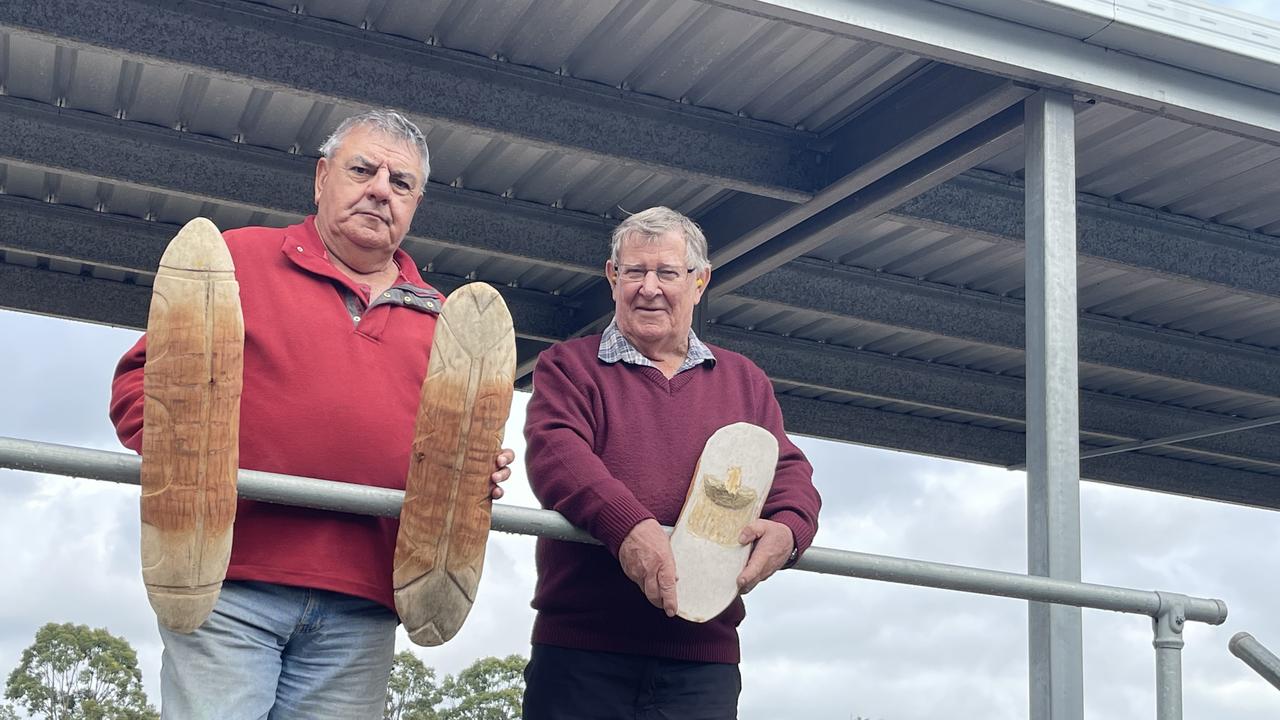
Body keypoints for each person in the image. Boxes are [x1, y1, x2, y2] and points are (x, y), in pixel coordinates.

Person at [109, 109, 514, 719]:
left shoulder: (446, 320)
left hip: (362, 604)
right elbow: (143, 386)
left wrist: (469, 480)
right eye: (363, 170)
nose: (381, 189)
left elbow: (448, 455)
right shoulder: (236, 261)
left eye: (401, 183)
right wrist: (192, 460)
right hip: (228, 581)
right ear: (322, 177)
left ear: (415, 204)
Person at [522, 206, 822, 718]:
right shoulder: (568, 366)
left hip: (703, 660)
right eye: (634, 271)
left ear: (700, 282)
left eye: (667, 272)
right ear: (612, 278)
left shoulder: (745, 381)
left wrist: (791, 529)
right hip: (581, 651)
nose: (649, 287)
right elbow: (556, 452)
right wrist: (629, 526)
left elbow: (789, 472)